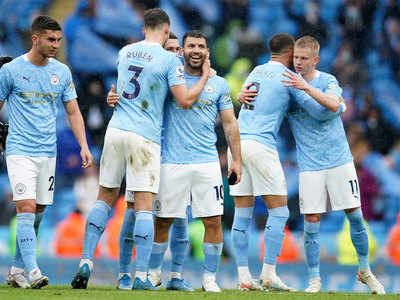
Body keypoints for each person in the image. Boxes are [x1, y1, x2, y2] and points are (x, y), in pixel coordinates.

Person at [71, 8, 210, 290]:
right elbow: (183, 100)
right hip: (144, 137)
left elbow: (124, 88)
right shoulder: (169, 60)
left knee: (105, 197)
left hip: (116, 130)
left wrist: (113, 97)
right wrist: (205, 77)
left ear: (143, 28)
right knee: (144, 206)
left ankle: (86, 259)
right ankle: (143, 275)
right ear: (166, 30)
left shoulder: (125, 52)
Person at [108, 30, 241, 293]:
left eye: (201, 46)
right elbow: (137, 98)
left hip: (207, 163)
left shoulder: (220, 84)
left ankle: (209, 279)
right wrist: (114, 98)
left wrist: (237, 160)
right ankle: (155, 274)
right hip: (171, 162)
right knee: (163, 221)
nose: (195, 50)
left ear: (207, 52)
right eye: (191, 45)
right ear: (183, 51)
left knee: (213, 220)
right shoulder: (170, 80)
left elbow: (230, 123)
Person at [282, 35, 385, 295]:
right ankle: (314, 278)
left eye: (304, 59)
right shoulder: (287, 86)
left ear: (315, 60)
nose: (298, 63)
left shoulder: (327, 81)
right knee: (311, 220)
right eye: (295, 58)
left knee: (355, 215)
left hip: (339, 161)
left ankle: (365, 270)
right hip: (310, 165)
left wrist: (305, 88)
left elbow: (334, 105)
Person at [0, 15, 93, 289]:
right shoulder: (11, 70)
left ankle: (17, 269)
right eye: (50, 40)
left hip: (47, 151)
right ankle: (33, 271)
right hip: (19, 150)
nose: (55, 45)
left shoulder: (62, 72)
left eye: (58, 40)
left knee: (38, 213)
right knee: (26, 208)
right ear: (35, 38)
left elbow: (73, 111)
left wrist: (84, 145)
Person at [228, 33, 297, 292]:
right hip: (260, 145)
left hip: (236, 143)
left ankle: (243, 276)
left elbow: (244, 98)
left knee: (242, 215)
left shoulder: (256, 71)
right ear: (290, 53)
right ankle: (268, 273)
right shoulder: (289, 78)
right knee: (279, 211)